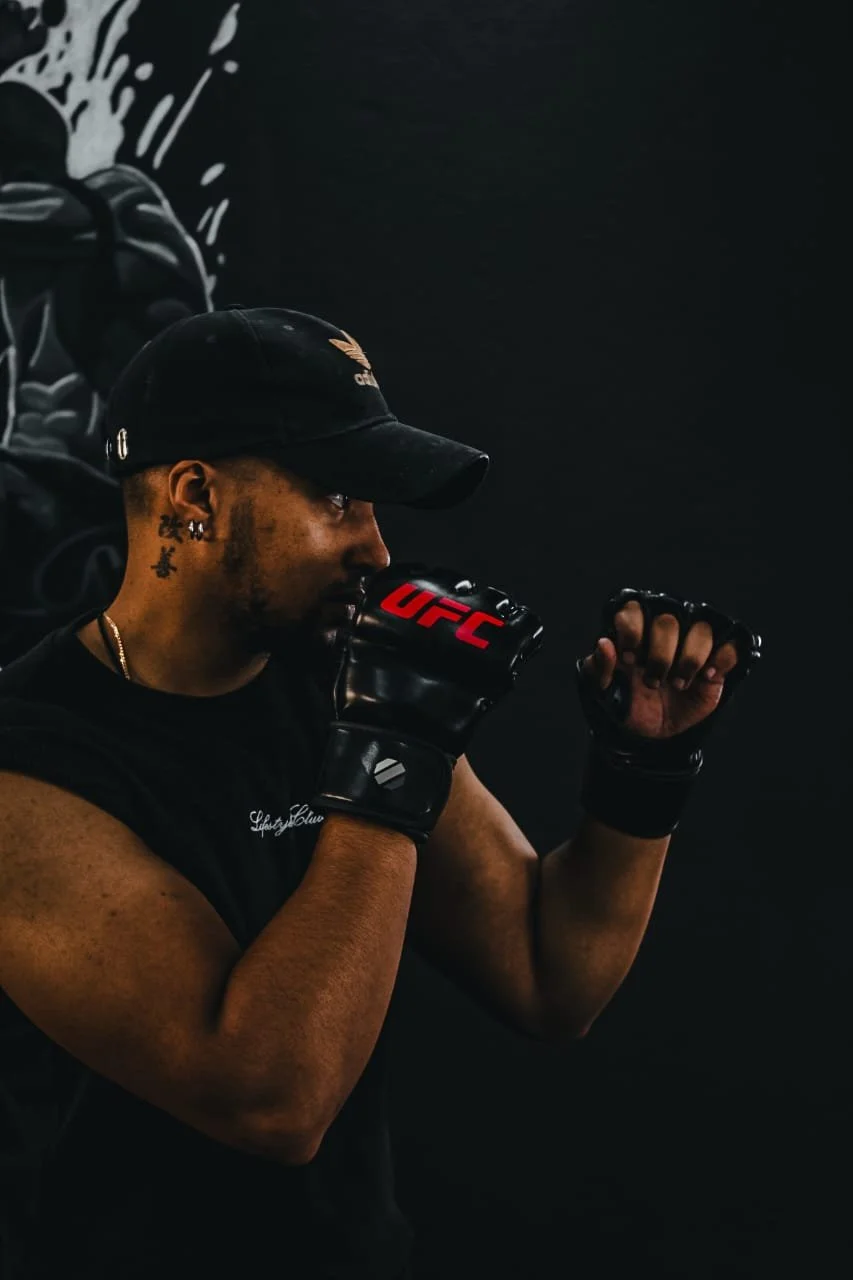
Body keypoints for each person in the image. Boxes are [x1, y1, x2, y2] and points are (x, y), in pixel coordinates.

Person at [0, 306, 761, 1279]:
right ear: (194, 494)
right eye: (336, 497)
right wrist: (392, 752)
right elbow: (273, 1100)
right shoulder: (27, 768)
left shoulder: (332, 692)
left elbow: (549, 975)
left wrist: (643, 765)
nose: (376, 552)